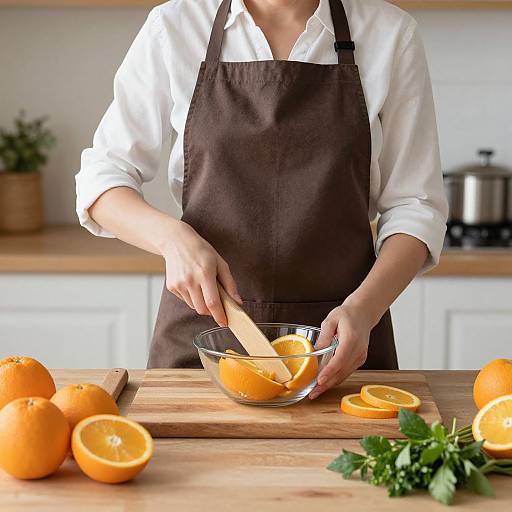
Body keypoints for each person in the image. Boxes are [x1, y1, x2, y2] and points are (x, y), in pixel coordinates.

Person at [76, 0, 448, 399]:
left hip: (340, 351)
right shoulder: (176, 26)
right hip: (203, 343)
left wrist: (366, 309)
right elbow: (101, 181)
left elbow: (415, 207)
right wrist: (173, 240)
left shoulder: (390, 34)